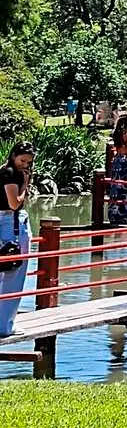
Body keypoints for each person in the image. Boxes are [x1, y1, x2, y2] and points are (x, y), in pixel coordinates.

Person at [0, 142, 34, 337]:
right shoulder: (11, 174)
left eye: (28, 162)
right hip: (11, 225)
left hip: (3, 223)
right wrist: (25, 187)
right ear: (13, 156)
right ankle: (6, 326)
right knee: (14, 276)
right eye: (22, 160)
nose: (25, 165)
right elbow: (14, 203)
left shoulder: (2, 171)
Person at [108, 114, 127, 226]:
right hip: (126, 162)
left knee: (117, 187)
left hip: (117, 161)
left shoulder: (116, 134)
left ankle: (114, 214)